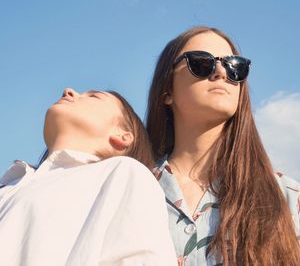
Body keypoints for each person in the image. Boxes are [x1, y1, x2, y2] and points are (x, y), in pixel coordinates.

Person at [146, 26, 300, 265]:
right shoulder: (132, 186)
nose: (221, 72)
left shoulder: (287, 195)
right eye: (200, 63)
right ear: (166, 91)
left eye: (235, 66)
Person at [0, 88, 177, 266]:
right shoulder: (11, 184)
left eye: (93, 96)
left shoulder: (123, 173)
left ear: (123, 136)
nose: (68, 91)